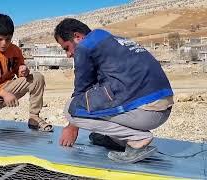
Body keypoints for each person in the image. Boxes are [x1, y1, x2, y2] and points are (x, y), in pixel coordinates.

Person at [54, 18, 173, 163]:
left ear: (77, 37)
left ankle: (137, 139)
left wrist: (72, 127)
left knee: (71, 108)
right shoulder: (112, 40)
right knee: (98, 98)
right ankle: (117, 140)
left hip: (147, 112)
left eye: (66, 48)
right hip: (162, 108)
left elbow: (82, 90)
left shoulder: (85, 47)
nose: (68, 54)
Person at [0, 14, 53, 132]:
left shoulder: (15, 50)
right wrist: (3, 93)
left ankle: (34, 117)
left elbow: (19, 72)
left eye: (8, 39)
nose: (4, 43)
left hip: (10, 88)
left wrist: (23, 71)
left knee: (37, 78)